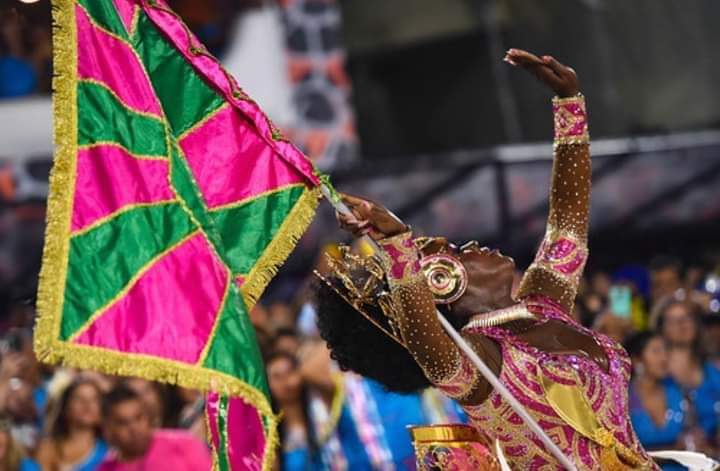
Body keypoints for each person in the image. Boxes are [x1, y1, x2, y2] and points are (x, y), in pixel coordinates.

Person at [314, 49, 658, 469]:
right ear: (441, 284)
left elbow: (567, 225)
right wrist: (399, 247)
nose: (474, 247)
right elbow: (424, 340)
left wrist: (569, 105)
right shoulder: (479, 366)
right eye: (458, 253)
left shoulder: (543, 306)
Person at [655, 296, 720, 451]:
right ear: (662, 328)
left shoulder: (714, 371)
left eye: (687, 318)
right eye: (673, 320)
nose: (682, 324)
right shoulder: (655, 375)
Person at [97, 384, 211, 471]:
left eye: (138, 418)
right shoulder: (106, 467)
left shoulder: (183, 445)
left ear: (148, 417)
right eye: (123, 423)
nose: (134, 428)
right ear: (108, 429)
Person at [625, 332, 686, 471]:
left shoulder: (677, 392)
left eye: (665, 350)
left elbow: (693, 435)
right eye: (656, 351)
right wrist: (672, 452)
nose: (664, 357)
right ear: (637, 360)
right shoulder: (624, 398)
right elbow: (621, 451)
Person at [36, 379, 108, 471]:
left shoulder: (111, 451)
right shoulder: (48, 449)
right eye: (79, 399)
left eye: (94, 400)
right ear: (66, 407)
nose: (87, 405)